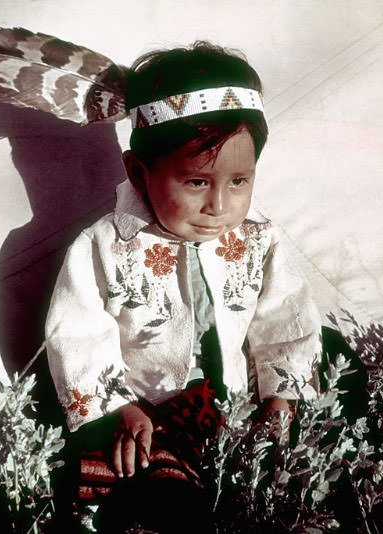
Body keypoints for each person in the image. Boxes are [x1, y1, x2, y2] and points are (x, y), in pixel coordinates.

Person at [43, 42, 323, 532]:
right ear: (138, 172)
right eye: (196, 182)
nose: (220, 205)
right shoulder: (104, 245)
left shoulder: (260, 237)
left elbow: (284, 318)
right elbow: (78, 333)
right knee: (147, 481)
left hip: (235, 397)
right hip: (148, 408)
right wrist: (119, 407)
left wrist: (281, 395)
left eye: (239, 181)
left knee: (317, 434)